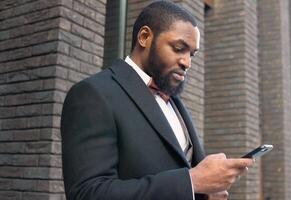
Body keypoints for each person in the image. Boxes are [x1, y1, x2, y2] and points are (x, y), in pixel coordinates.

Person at [60, 1, 254, 200]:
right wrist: (191, 182)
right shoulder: (93, 94)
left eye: (192, 54)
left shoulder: (175, 103)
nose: (187, 62)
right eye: (179, 48)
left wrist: (204, 192)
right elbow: (87, 194)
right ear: (144, 37)